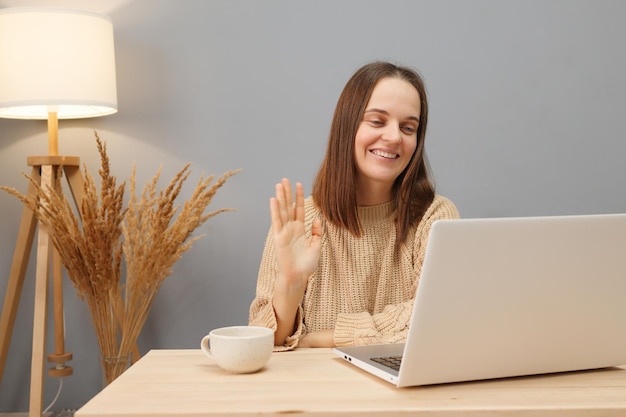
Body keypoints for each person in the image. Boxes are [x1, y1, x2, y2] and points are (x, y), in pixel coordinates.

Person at [249, 61, 459, 350]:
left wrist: (318, 340)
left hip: (405, 391)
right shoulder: (301, 221)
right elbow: (263, 343)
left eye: (408, 127)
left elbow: (438, 318)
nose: (394, 136)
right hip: (315, 391)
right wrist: (291, 282)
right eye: (377, 121)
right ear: (347, 126)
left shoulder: (434, 217)